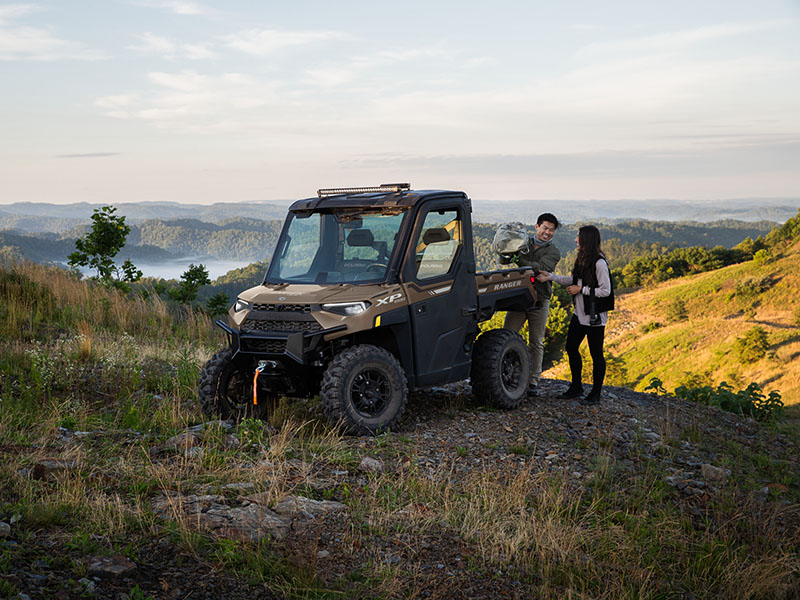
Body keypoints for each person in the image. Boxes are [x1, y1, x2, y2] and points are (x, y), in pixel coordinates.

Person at [536, 225, 611, 405]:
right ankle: (576, 387)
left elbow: (606, 291)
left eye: (578, 237)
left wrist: (581, 290)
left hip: (594, 318)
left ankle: (595, 393)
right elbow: (573, 280)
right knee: (571, 348)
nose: (575, 240)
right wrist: (550, 277)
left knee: (596, 355)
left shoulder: (600, 263)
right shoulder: (582, 259)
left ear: (586, 240)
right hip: (580, 315)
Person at [499, 213, 561, 397]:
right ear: (537, 227)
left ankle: (533, 381)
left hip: (540, 300)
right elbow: (505, 260)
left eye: (551, 230)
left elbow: (540, 268)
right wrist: (505, 251)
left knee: (536, 342)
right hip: (518, 298)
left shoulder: (553, 251)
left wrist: (518, 259)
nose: (547, 233)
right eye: (545, 228)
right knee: (507, 336)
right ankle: (504, 376)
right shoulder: (523, 243)